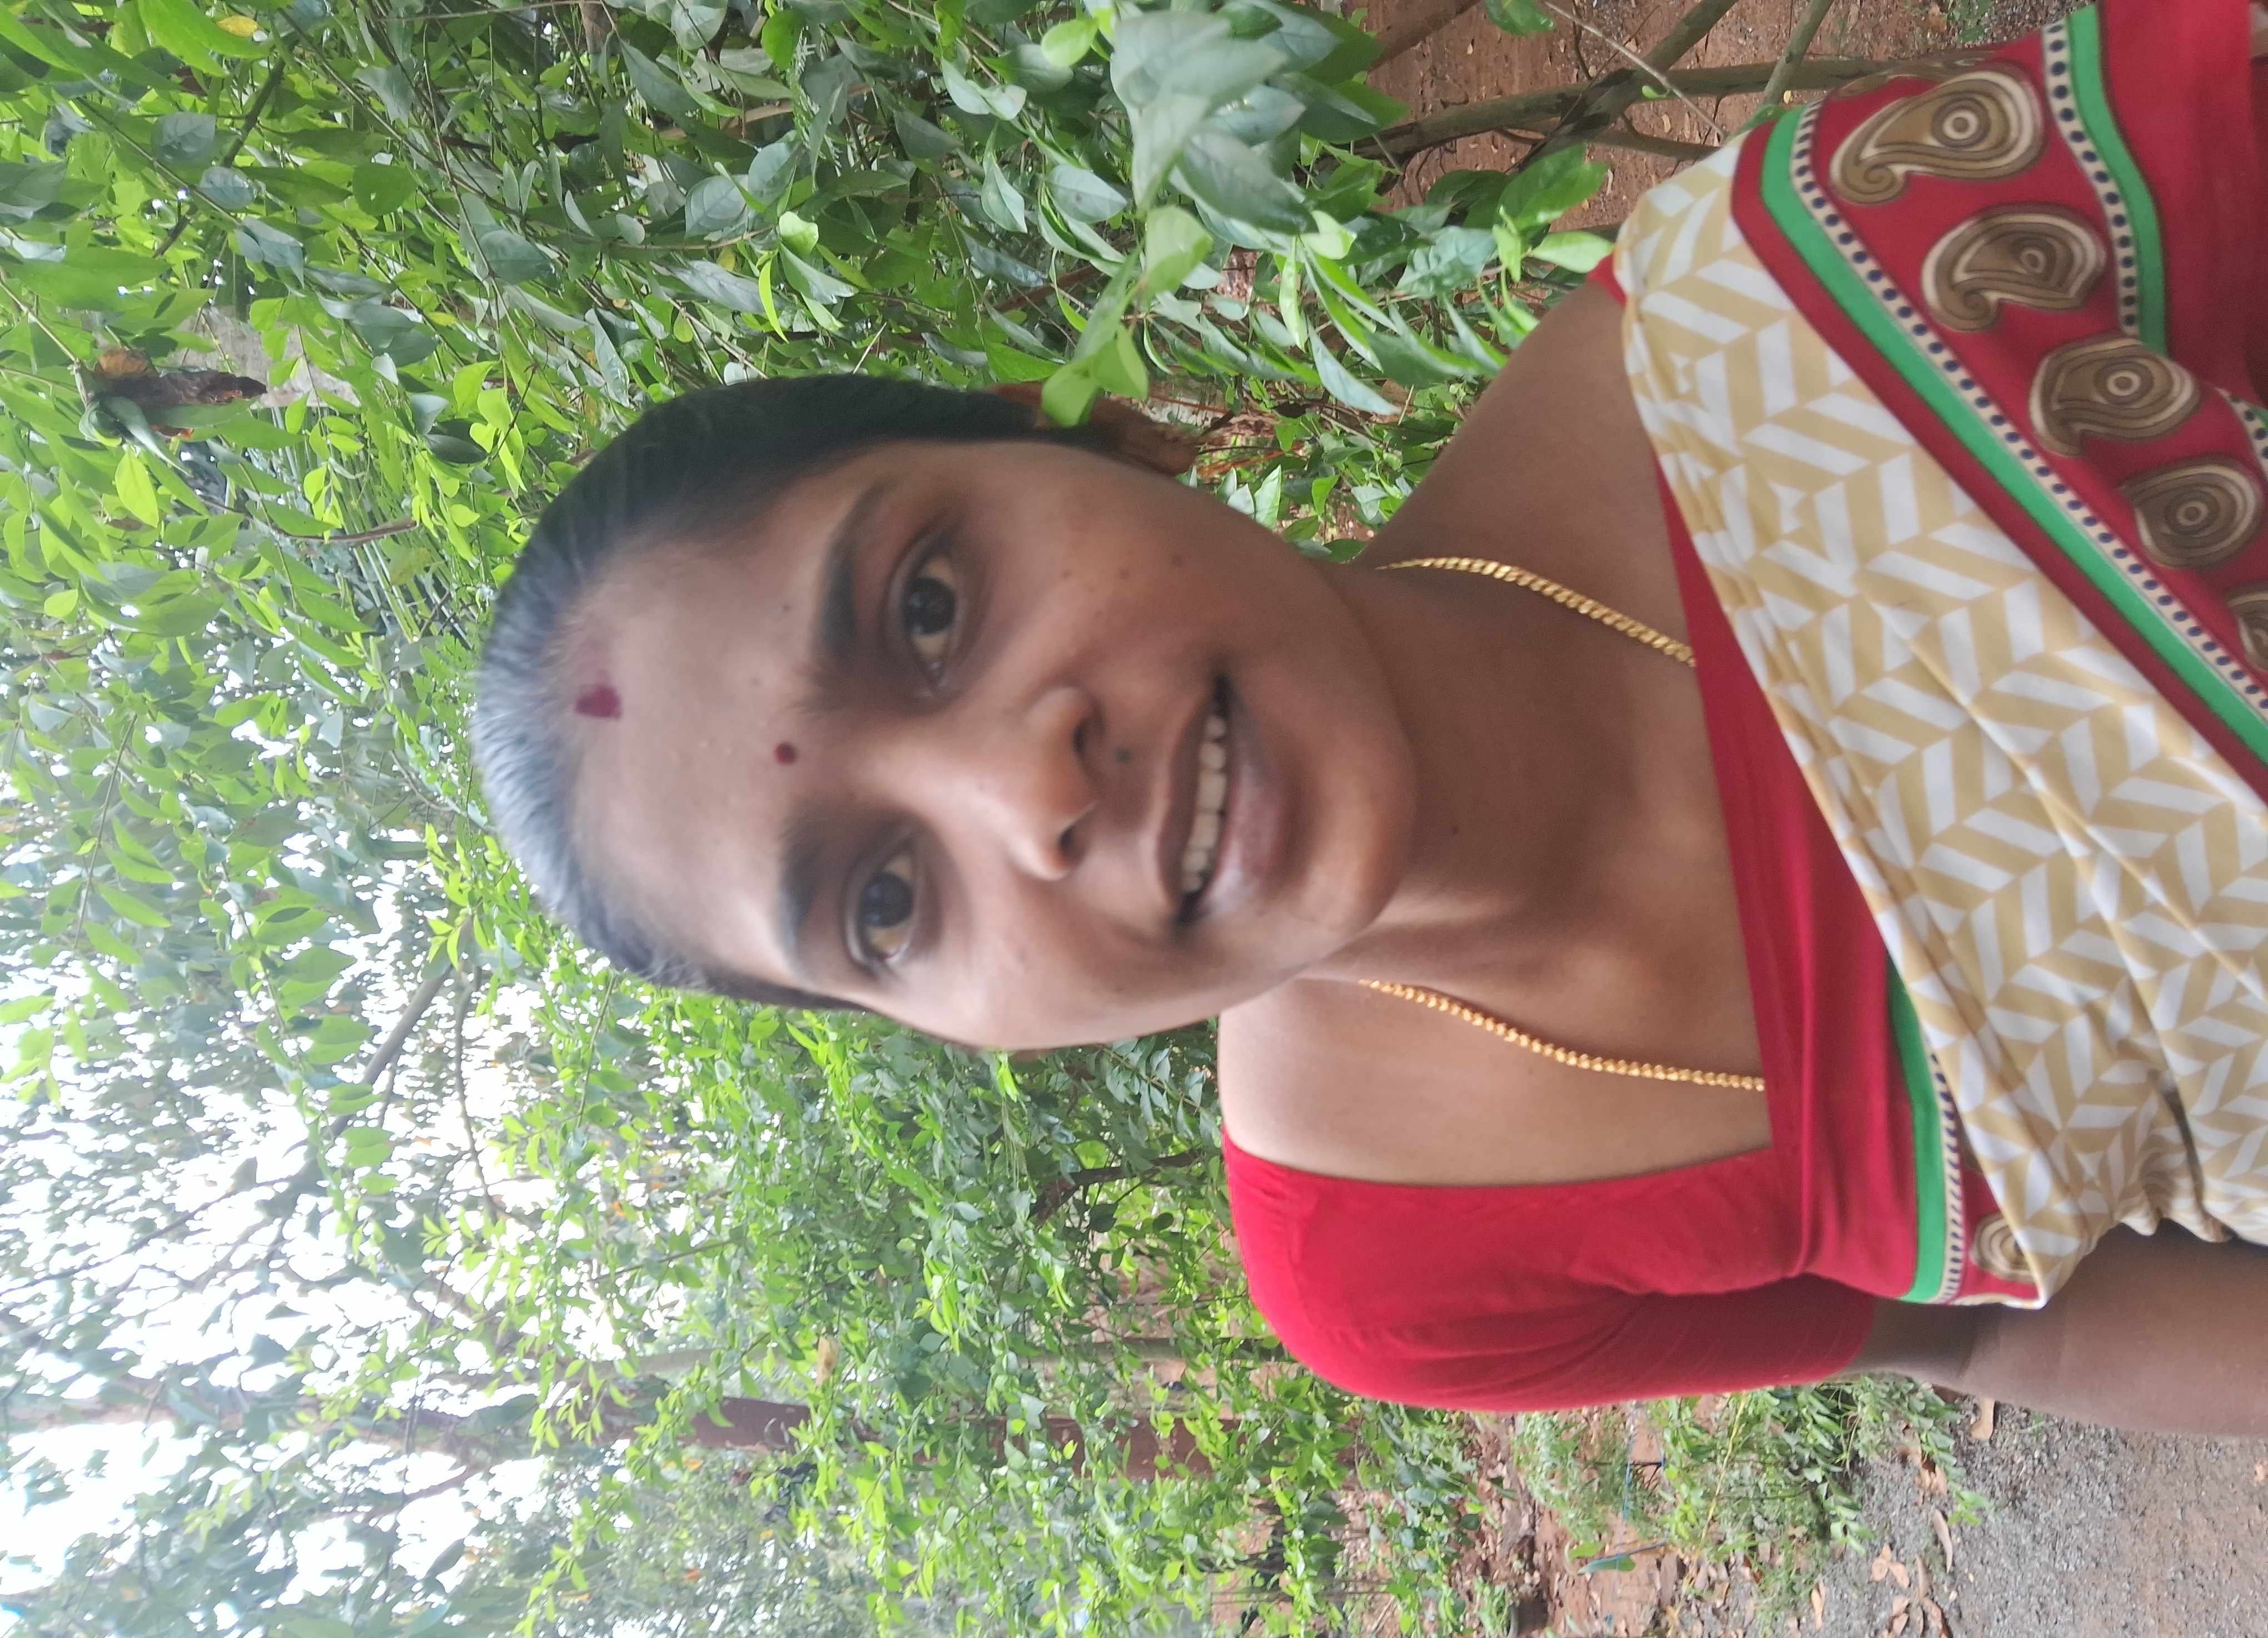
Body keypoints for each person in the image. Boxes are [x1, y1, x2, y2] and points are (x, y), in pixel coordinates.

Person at [475, 0, 2268, 1435]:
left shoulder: (1822, 298)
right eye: (883, 900)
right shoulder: (1398, 1264)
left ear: (1087, 434)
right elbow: (2004, 1336)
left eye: (928, 606)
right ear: (947, 1026)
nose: (1027, 788)